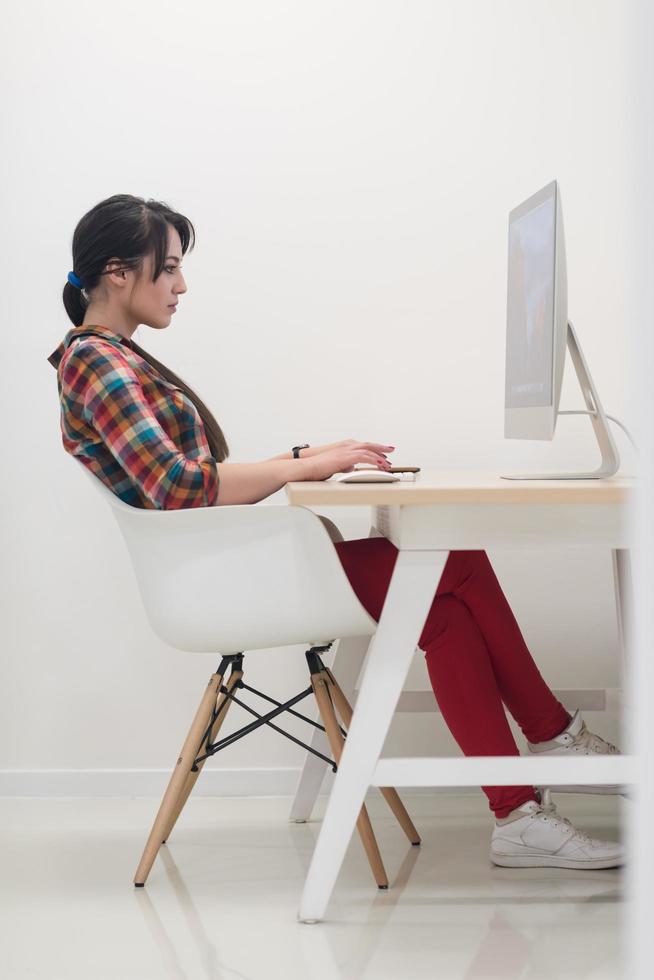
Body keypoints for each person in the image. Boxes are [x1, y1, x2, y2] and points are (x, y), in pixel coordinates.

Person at [48, 194, 624, 871]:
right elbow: (179, 487)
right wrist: (314, 464)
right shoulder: (97, 361)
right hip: (219, 583)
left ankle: (519, 814)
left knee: (442, 611)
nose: (181, 285)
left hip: (225, 568)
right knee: (456, 560)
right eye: (168, 268)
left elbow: (190, 477)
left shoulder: (110, 357)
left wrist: (305, 459)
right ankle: (551, 737)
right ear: (119, 273)